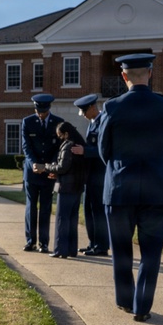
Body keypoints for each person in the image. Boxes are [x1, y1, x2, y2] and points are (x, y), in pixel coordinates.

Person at [99, 53, 163, 322]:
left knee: (121, 250)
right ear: (150, 73)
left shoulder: (112, 107)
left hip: (120, 189)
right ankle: (142, 307)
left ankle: (125, 300)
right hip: (158, 188)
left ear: (124, 76)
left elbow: (104, 151)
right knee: (151, 252)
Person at [21, 94, 63, 252]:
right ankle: (30, 240)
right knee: (31, 207)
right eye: (38, 111)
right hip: (32, 171)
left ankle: (43, 243)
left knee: (45, 208)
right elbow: (26, 147)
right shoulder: (27, 122)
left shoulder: (58, 122)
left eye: (43, 112)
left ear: (49, 109)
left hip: (48, 172)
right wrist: (34, 163)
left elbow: (59, 148)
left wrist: (49, 166)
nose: (40, 114)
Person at [38, 121, 87, 258]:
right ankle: (71, 249)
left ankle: (60, 249)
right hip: (76, 187)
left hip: (66, 187)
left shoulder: (67, 145)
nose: (59, 137)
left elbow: (62, 167)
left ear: (66, 133)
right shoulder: (78, 144)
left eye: (60, 135)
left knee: (62, 219)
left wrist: (46, 167)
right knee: (72, 219)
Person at [74, 94, 109, 256]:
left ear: (92, 108)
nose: (83, 115)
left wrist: (85, 151)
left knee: (98, 211)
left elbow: (104, 149)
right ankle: (92, 242)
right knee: (88, 209)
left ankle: (101, 245)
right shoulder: (92, 123)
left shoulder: (103, 122)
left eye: (84, 111)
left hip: (100, 175)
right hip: (90, 174)